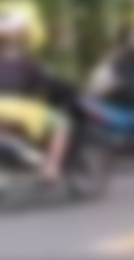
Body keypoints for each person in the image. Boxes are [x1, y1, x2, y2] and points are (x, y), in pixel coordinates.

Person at [0, 9, 75, 182]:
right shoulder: (26, 60)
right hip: (20, 109)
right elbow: (50, 79)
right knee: (63, 123)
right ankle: (51, 168)